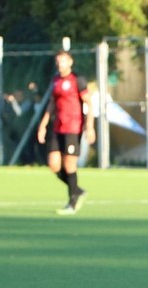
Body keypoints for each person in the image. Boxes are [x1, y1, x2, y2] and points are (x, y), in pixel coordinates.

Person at [37, 50, 95, 215]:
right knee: (53, 164)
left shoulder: (77, 80)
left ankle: (72, 202)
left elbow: (88, 103)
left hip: (73, 127)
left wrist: (90, 125)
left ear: (70, 62)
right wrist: (43, 125)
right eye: (57, 61)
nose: (59, 64)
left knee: (69, 164)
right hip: (57, 127)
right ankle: (77, 190)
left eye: (62, 61)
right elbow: (52, 104)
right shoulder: (55, 80)